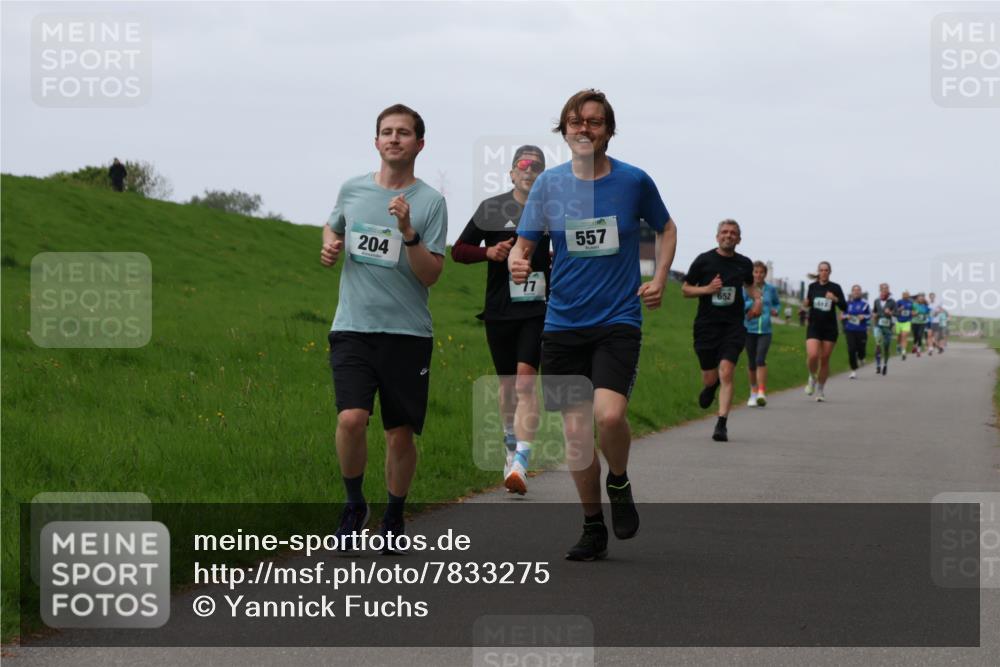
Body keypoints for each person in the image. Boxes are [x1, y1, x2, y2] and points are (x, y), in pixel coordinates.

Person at [508, 89, 677, 561]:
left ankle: (618, 480)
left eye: (595, 122)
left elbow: (666, 228)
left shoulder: (633, 181)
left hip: (617, 319)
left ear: (608, 130)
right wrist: (517, 264)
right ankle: (592, 525)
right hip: (562, 324)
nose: (584, 129)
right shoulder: (548, 186)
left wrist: (659, 277)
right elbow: (524, 245)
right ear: (563, 129)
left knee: (609, 416)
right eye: (575, 122)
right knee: (578, 435)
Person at [321, 104, 448, 551]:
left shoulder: (431, 202)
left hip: (407, 334)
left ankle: (394, 515)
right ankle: (354, 505)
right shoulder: (353, 189)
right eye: (387, 132)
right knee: (351, 419)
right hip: (353, 326)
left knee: (399, 434)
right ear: (376, 142)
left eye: (404, 133)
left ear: (419, 144)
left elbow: (430, 273)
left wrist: (408, 231)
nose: (394, 139)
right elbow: (333, 225)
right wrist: (330, 245)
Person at [451, 146, 550, 494]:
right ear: (511, 174)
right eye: (523, 165)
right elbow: (458, 251)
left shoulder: (553, 210)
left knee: (525, 382)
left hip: (538, 309)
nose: (529, 170)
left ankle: (522, 461)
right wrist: (488, 253)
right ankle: (511, 444)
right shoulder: (492, 208)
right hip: (499, 309)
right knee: (508, 385)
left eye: (537, 166)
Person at [682, 223, 761, 439]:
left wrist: (757, 300)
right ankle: (710, 386)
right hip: (706, 326)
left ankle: (721, 423)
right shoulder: (704, 260)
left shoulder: (744, 263)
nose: (729, 236)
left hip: (733, 326)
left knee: (727, 371)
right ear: (717, 237)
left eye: (733, 233)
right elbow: (686, 289)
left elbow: (750, 286)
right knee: (710, 377)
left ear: (739, 239)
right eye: (725, 232)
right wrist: (707, 289)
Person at [803, 261, 846, 401]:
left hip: (830, 328)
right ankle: (811, 376)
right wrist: (806, 304)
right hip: (814, 326)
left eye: (826, 270)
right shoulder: (812, 286)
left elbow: (844, 307)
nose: (823, 272)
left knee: (825, 359)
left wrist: (834, 298)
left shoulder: (835, 287)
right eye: (821, 270)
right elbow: (808, 303)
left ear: (829, 272)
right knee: (813, 355)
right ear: (818, 271)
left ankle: (820, 390)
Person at [742, 261, 778, 406]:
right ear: (752, 274)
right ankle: (753, 392)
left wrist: (776, 310)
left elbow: (776, 303)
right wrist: (755, 301)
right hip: (748, 329)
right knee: (751, 363)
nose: (758, 275)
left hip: (765, 330)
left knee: (760, 359)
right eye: (755, 272)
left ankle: (762, 392)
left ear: (765, 274)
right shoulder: (745, 288)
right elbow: (741, 305)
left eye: (761, 272)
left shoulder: (771, 289)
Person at [842, 284, 871, 379]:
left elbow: (870, 315)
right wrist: (847, 316)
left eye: (858, 290)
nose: (856, 292)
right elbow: (842, 315)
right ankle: (853, 370)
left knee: (861, 350)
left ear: (861, 292)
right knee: (851, 350)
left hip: (861, 330)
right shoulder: (847, 303)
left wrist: (864, 316)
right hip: (850, 330)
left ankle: (862, 358)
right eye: (854, 290)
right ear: (852, 292)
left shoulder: (865, 303)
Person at [872, 283, 896, 375]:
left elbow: (897, 313)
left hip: (888, 327)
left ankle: (885, 365)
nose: (885, 290)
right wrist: (874, 315)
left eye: (886, 288)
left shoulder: (892, 302)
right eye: (883, 288)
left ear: (888, 290)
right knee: (878, 345)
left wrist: (890, 312)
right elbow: (874, 311)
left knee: (886, 347)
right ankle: (878, 365)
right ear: (880, 290)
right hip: (878, 325)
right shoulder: (876, 301)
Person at [895, 291, 914, 361]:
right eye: (904, 295)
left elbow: (913, 311)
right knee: (899, 336)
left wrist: (913, 313)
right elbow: (894, 311)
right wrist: (899, 309)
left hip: (907, 322)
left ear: (909, 295)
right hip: (899, 321)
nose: (906, 296)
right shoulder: (899, 302)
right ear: (902, 295)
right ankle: (898, 346)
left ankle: (903, 352)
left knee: (904, 336)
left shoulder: (911, 303)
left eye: (907, 295)